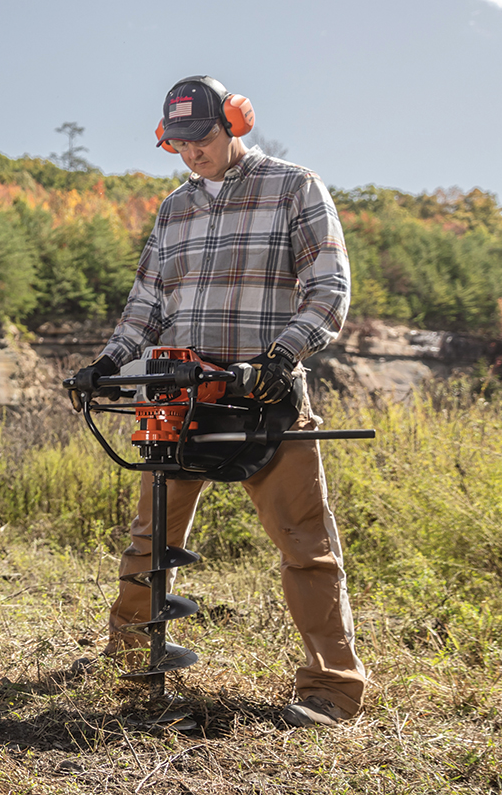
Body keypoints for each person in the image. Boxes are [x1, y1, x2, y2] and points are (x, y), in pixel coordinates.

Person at [69, 75, 365, 726]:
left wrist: (281, 358)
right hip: (180, 399)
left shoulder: (294, 187)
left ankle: (332, 688)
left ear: (234, 123)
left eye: (201, 138)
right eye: (177, 144)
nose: (192, 154)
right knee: (148, 542)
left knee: (306, 547)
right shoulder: (174, 208)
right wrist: (108, 363)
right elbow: (146, 303)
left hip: (267, 396)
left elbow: (328, 287)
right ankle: (128, 659)